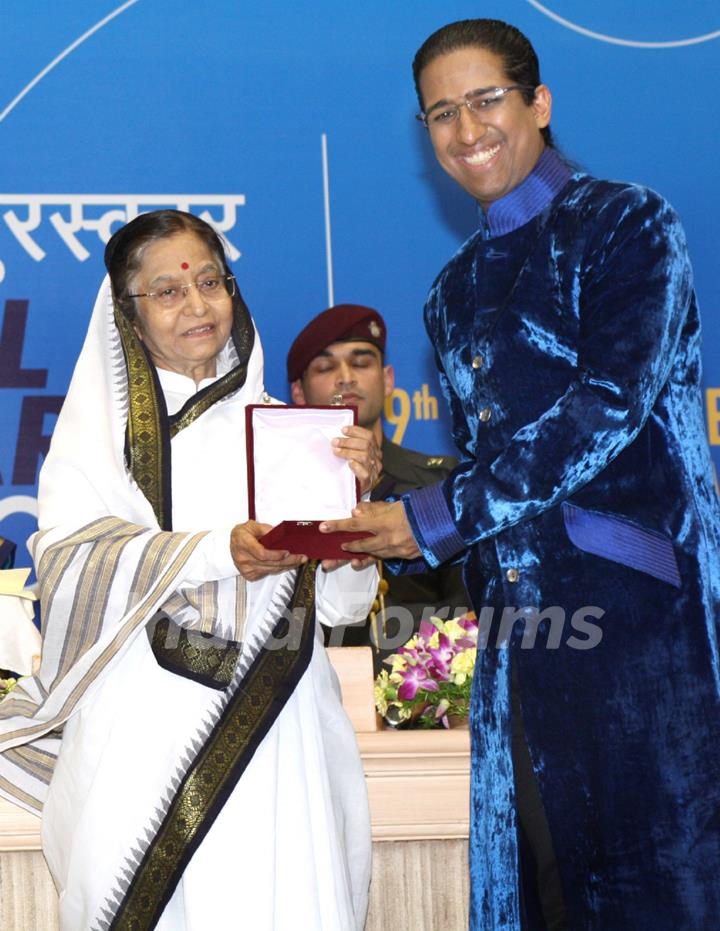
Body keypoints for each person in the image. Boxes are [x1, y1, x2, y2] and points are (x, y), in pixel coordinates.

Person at [319, 18, 720, 931]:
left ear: (538, 103)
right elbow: (499, 463)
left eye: (486, 101)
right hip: (521, 637)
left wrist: (431, 514)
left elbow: (607, 409)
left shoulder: (627, 223)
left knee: (657, 887)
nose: (467, 132)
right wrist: (391, 497)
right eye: (441, 114)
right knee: (543, 887)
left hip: (635, 626)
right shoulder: (451, 289)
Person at [0, 210, 379, 930]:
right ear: (128, 318)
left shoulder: (285, 426)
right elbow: (73, 567)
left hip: (281, 734)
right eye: (168, 291)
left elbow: (339, 607)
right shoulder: (99, 446)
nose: (198, 304)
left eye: (210, 281)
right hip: (141, 750)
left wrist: (355, 517)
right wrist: (219, 551)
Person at [287, 303, 468, 659]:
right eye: (325, 367)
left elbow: (467, 612)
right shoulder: (279, 495)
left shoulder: (440, 483)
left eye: (360, 362)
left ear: (387, 380)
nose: (346, 377)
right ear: (298, 393)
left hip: (430, 697)